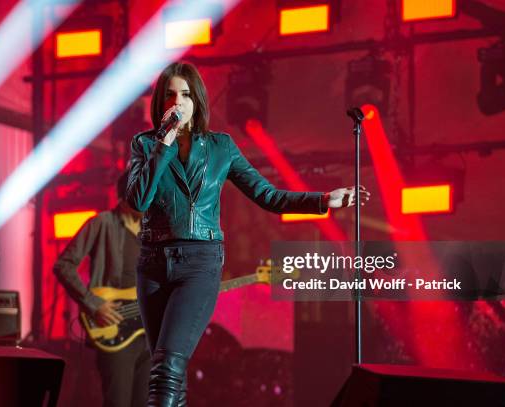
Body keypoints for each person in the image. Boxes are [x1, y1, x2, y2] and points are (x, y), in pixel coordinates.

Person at [126, 61, 370, 407]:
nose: (176, 102)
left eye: (183, 95)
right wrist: (163, 144)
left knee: (166, 367)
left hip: (198, 264)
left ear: (197, 101)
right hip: (152, 265)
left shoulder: (220, 147)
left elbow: (267, 195)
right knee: (169, 371)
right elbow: (137, 200)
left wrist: (322, 200)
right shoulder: (144, 145)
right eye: (169, 96)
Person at [54, 171, 151, 407]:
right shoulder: (102, 223)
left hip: (148, 334)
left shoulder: (153, 234)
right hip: (114, 329)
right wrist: (94, 304)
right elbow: (64, 265)